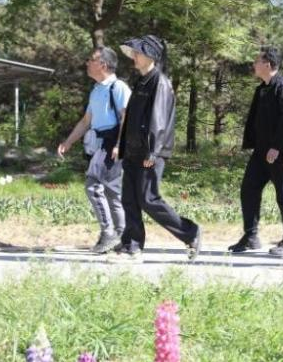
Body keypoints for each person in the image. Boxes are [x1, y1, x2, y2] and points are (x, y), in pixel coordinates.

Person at [112, 36, 202, 262]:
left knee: (148, 199)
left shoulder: (159, 82)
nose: (134, 56)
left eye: (138, 53)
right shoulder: (141, 81)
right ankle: (131, 245)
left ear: (151, 56)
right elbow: (131, 118)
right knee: (129, 199)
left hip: (150, 152)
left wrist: (152, 151)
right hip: (133, 151)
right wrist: (123, 147)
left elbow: (159, 120)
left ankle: (190, 232)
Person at [57, 46, 131, 254]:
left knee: (93, 186)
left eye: (91, 60)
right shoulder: (96, 90)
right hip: (100, 144)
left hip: (112, 142)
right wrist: (68, 142)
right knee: (111, 192)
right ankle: (122, 237)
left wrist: (119, 144)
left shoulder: (118, 87)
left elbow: (127, 117)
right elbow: (86, 121)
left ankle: (108, 234)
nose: (87, 63)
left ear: (103, 65)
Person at [231, 47, 283, 257]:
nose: (254, 65)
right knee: (248, 189)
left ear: (267, 64)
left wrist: (276, 147)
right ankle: (251, 236)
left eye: (257, 61)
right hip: (261, 152)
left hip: (281, 152)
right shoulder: (262, 89)